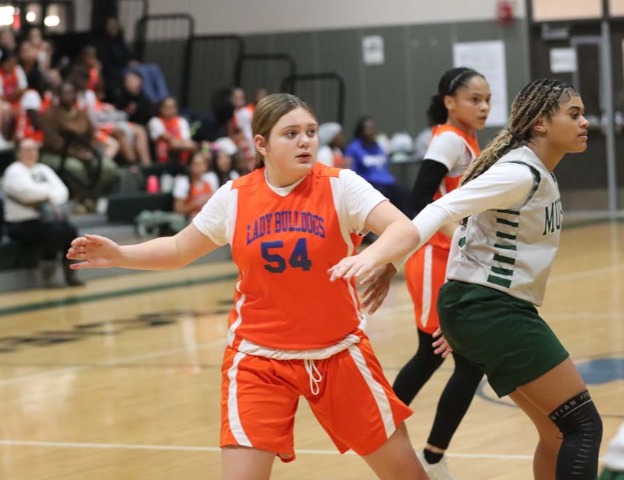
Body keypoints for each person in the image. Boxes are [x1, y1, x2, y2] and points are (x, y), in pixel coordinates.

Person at [66, 93, 429, 480]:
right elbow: (178, 249)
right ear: (261, 144)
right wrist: (122, 254)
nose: (305, 141)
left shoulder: (341, 186)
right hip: (258, 360)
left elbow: (403, 229)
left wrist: (372, 257)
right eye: (291, 133)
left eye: (310, 132)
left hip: (338, 352)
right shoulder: (235, 197)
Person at [331, 78, 603, 480]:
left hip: (484, 308)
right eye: (574, 114)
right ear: (541, 123)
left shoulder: (535, 171)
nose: (585, 122)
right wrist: (381, 257)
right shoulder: (519, 173)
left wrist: (460, 311)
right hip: (495, 309)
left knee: (556, 431)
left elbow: (467, 233)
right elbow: (439, 208)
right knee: (583, 425)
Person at [392, 67, 491, 480]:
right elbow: (419, 199)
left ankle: (424, 452)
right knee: (445, 356)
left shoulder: (466, 138)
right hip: (436, 260)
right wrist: (454, 235)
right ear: (450, 102)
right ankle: (406, 445)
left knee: (455, 359)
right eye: (474, 99)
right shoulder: (449, 139)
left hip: (452, 260)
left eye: (487, 99)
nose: (483, 107)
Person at [2, 138, 84, 287]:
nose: (31, 153)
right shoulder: (14, 171)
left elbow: (62, 192)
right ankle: (48, 277)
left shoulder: (44, 169)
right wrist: (48, 192)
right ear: (18, 153)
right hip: (21, 223)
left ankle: (71, 274)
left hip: (47, 220)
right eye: (27, 149)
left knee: (69, 230)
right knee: (55, 231)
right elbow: (27, 193)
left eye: (34, 149)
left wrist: (45, 196)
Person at [346, 116, 413, 218]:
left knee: (405, 193)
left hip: (387, 182)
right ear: (361, 130)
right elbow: (350, 170)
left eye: (373, 128)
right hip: (371, 184)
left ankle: (410, 222)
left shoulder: (378, 146)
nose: (372, 131)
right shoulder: (354, 148)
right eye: (368, 128)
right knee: (385, 198)